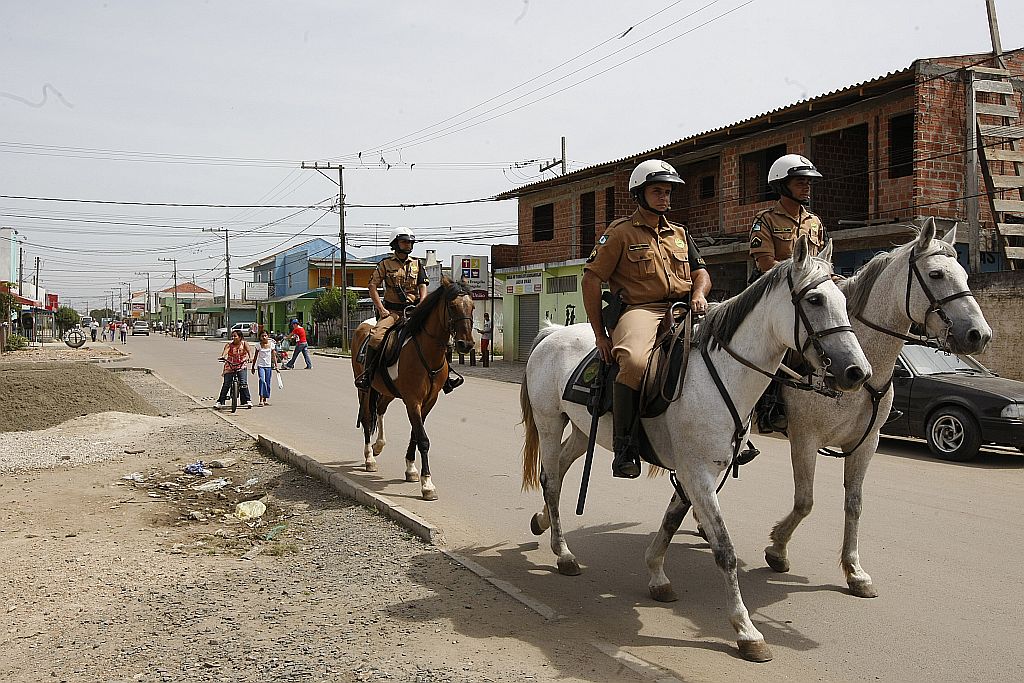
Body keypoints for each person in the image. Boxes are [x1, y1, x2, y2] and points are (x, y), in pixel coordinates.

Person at [582, 159, 711, 479]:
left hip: (683, 306)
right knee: (637, 362)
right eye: (657, 191)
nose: (665, 197)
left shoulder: (680, 233)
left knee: (727, 347)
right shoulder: (620, 233)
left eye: (668, 191)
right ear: (639, 194)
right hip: (641, 310)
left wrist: (699, 294)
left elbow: (701, 273)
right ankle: (625, 446)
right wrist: (600, 335)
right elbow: (590, 280)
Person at [354, 228, 428, 389]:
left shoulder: (417, 264)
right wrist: (381, 309)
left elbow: (422, 285)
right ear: (395, 243)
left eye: (410, 242)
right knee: (376, 338)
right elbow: (372, 286)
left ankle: (444, 375)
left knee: (435, 334)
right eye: (404, 241)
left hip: (413, 311)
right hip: (392, 313)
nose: (408, 245)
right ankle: (368, 374)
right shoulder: (385, 264)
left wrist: (422, 304)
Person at [749, 154, 827, 276]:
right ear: (782, 186)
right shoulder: (765, 219)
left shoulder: (814, 221)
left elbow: (823, 261)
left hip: (810, 287)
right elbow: (766, 264)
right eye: (800, 183)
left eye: (808, 183)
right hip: (776, 288)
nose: (806, 188)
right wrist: (800, 274)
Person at [215, 330, 254, 409]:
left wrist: (250, 357)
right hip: (230, 365)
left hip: (241, 365)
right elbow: (225, 351)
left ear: (240, 337)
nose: (233, 338)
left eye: (235, 336)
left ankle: (247, 400)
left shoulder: (244, 344)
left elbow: (249, 351)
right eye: (232, 336)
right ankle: (220, 401)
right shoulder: (229, 345)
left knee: (243, 383)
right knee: (226, 384)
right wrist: (223, 356)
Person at [251, 331, 279, 406]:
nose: (264, 337)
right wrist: (253, 366)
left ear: (268, 336)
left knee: (267, 382)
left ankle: (265, 399)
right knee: (262, 380)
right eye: (262, 336)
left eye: (265, 336)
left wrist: (276, 366)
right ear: (260, 337)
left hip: (268, 366)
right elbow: (255, 356)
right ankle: (261, 399)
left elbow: (274, 356)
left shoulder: (271, 345)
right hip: (261, 366)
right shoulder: (258, 345)